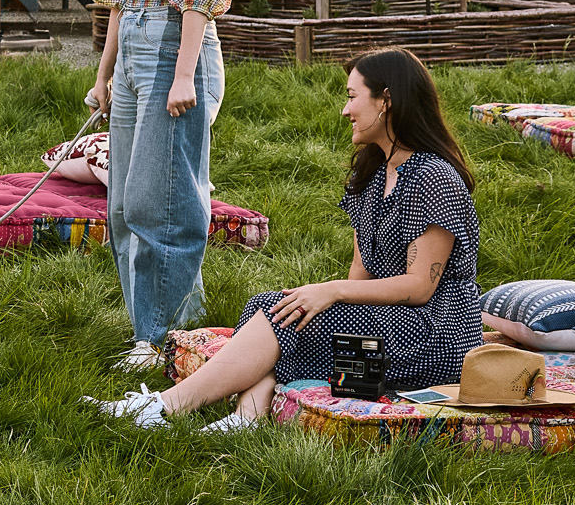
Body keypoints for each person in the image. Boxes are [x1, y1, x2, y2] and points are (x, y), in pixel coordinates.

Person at [96, 47, 481, 431]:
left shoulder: (434, 179)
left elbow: (419, 287)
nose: (345, 111)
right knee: (277, 308)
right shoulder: (376, 175)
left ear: (387, 102)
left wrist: (331, 293)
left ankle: (163, 408)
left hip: (435, 335)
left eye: (352, 97)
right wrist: (325, 306)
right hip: (390, 325)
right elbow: (361, 272)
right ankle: (245, 420)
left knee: (283, 312)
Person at [84, 0, 234, 374]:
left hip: (178, 45)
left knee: (162, 198)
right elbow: (118, 2)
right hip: (133, 55)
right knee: (122, 202)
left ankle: (160, 336)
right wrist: (104, 75)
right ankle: (163, 324)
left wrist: (183, 77)